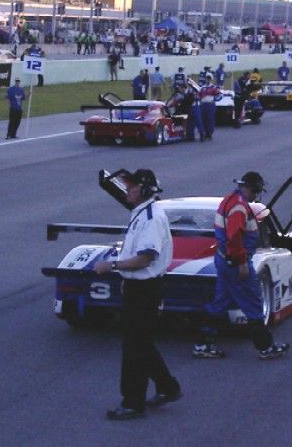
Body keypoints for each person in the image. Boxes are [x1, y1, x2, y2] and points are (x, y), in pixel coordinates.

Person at [92, 169, 181, 420]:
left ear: (144, 190)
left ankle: (133, 402)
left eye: (131, 187)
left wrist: (112, 266)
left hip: (145, 289)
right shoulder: (141, 213)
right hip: (138, 287)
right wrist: (126, 279)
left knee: (134, 346)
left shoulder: (151, 218)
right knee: (140, 342)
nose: (127, 190)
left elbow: (144, 258)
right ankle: (168, 386)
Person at [193, 172, 289, 360]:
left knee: (219, 303)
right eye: (256, 191)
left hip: (224, 260)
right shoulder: (238, 208)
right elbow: (234, 237)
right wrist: (242, 262)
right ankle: (265, 346)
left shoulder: (230, 199)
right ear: (249, 188)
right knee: (253, 304)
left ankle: (203, 343)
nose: (256, 196)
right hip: (235, 264)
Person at [199, 73, 219, 140]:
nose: (208, 80)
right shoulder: (202, 87)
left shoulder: (214, 87)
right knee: (203, 119)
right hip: (203, 105)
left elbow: (218, 95)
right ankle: (205, 132)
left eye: (209, 78)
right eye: (207, 78)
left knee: (210, 120)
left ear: (211, 79)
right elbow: (199, 95)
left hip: (210, 104)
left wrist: (215, 99)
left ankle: (210, 133)